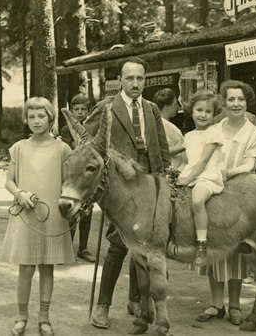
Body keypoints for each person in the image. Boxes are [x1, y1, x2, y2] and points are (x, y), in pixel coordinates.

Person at [86, 57, 170, 329]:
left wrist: (164, 174)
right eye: (130, 78)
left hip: (149, 184)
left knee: (144, 245)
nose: (135, 83)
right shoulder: (106, 107)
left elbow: (162, 146)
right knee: (120, 243)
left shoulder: (152, 108)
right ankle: (103, 305)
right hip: (120, 186)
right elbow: (87, 146)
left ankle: (137, 300)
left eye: (140, 78)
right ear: (119, 81)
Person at [0, 97, 75, 336]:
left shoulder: (62, 149)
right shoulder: (19, 148)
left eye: (41, 116)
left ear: (50, 118)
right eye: (31, 116)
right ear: (26, 119)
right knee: (25, 268)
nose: (36, 121)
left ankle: (44, 318)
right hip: (25, 214)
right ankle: (21, 317)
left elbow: (70, 182)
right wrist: (20, 194)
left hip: (52, 214)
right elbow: (9, 181)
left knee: (47, 267)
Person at [194, 80, 256, 326]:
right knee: (214, 246)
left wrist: (229, 171)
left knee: (235, 250)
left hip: (237, 194)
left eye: (241, 99)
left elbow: (251, 164)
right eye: (231, 99)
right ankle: (216, 304)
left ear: (247, 102)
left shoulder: (253, 132)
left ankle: (234, 305)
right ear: (224, 103)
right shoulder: (216, 127)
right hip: (213, 190)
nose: (236, 104)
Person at [176, 90, 224, 266]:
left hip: (207, 177)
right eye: (199, 110)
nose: (203, 115)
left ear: (213, 114)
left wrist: (185, 180)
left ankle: (202, 245)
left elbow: (203, 162)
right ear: (191, 111)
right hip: (192, 175)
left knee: (197, 200)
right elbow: (186, 158)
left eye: (208, 111)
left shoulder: (214, 132)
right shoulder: (189, 136)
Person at [60, 93, 95, 263]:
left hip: (87, 175)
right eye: (76, 110)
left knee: (86, 212)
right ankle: (68, 248)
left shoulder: (91, 128)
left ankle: (83, 248)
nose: (80, 112)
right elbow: (69, 147)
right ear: (72, 111)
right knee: (72, 211)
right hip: (74, 173)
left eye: (83, 109)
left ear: (88, 111)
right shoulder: (67, 128)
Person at [152, 88, 187, 171]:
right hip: (173, 169)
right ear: (167, 107)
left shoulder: (164, 123)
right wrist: (186, 145)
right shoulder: (162, 125)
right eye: (175, 104)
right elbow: (164, 150)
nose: (177, 107)